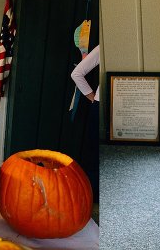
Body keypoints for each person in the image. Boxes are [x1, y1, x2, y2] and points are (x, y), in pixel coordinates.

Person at [70, 45, 100, 203]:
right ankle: (90, 198)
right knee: (94, 154)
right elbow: (76, 74)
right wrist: (92, 97)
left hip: (115, 105)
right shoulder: (104, 47)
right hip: (102, 105)